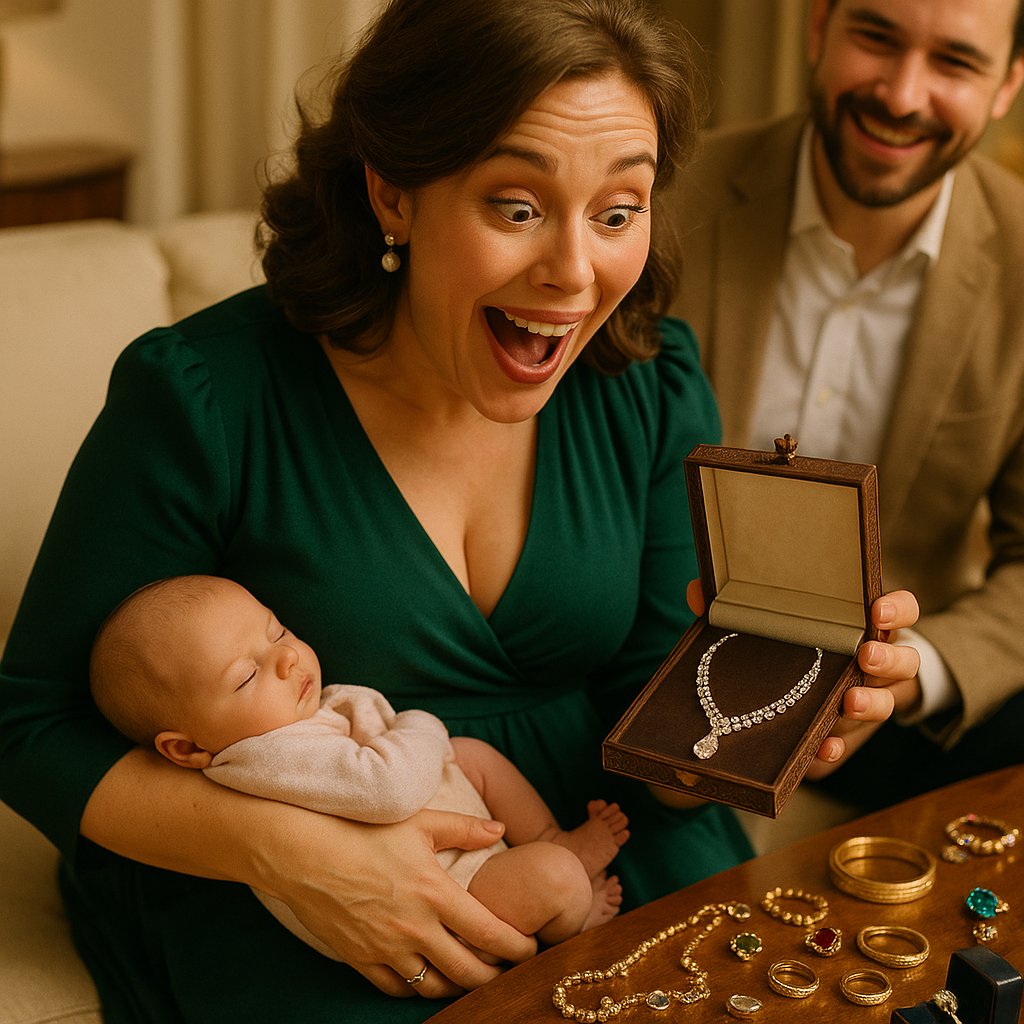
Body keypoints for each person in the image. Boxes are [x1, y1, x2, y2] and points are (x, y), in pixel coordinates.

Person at [0, 1, 919, 1021]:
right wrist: (297, 853)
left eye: (617, 211)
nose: (574, 272)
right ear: (393, 191)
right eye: (517, 207)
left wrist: (774, 725)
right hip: (298, 904)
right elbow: (30, 725)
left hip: (604, 846)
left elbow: (653, 732)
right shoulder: (203, 399)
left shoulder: (649, 388)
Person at [670, 0, 1024, 808]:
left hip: (892, 692)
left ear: (1007, 85)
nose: (902, 95)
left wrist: (912, 673)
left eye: (955, 62)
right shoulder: (667, 196)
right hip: (660, 649)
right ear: (818, 28)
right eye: (877, 36)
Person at [90, 574, 630, 949]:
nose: (286, 657)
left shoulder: (289, 723)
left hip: (457, 857)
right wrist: (424, 723)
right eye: (247, 676)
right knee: (556, 877)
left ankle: (551, 838)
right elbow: (388, 789)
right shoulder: (264, 757)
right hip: (448, 903)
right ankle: (572, 918)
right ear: (187, 748)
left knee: (472, 757)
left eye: (277, 631)